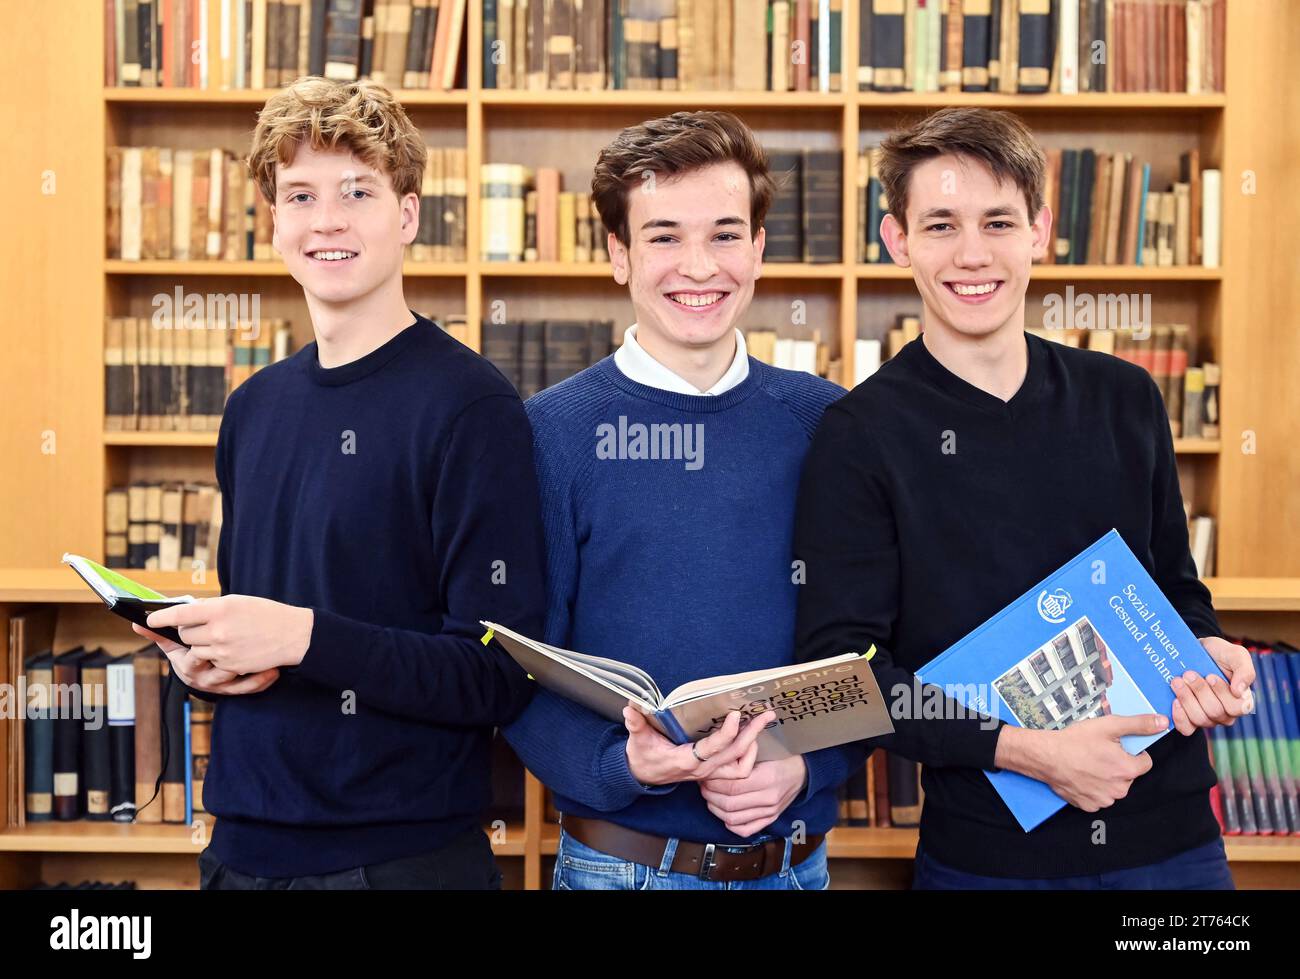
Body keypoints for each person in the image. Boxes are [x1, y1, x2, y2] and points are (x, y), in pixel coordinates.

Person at [794, 106, 1254, 889]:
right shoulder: (858, 435)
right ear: (896, 240)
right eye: (941, 225)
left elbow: (1176, 589)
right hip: (989, 857)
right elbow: (846, 677)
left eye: (998, 221)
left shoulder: (1126, 397)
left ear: (1040, 230)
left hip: (1172, 841)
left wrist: (1207, 651)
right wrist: (1029, 751)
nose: (972, 254)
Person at [134, 77, 546, 889]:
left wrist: (301, 636)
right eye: (300, 194)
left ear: (408, 215)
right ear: (275, 220)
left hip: (398, 861)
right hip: (241, 847)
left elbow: (498, 673)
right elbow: (264, 624)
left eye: (358, 190)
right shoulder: (252, 408)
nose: (327, 219)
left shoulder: (473, 407)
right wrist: (204, 661)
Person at [504, 110, 861, 890]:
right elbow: (513, 668)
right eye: (664, 236)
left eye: (725, 234)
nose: (698, 267)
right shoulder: (549, 433)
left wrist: (807, 767)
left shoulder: (829, 424)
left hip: (795, 868)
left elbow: (872, 650)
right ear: (619, 254)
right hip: (619, 868)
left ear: (760, 249)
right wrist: (620, 761)